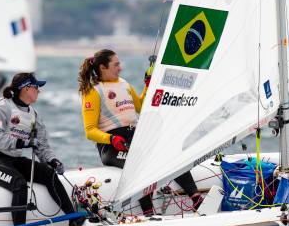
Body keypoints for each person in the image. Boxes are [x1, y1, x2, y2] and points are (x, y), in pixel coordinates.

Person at [78, 49, 201, 206]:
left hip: (135, 137)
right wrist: (111, 139)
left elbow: (141, 106)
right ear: (103, 67)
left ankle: (196, 197)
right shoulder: (93, 91)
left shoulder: (124, 84)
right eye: (116, 65)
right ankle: (148, 213)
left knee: (170, 153)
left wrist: (148, 86)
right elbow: (89, 131)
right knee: (139, 165)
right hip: (111, 146)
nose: (120, 68)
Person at [0, 73, 83, 226]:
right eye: (36, 87)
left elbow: (42, 146)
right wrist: (22, 142)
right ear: (26, 88)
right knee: (19, 184)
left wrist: (52, 160)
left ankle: (74, 219)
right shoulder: (1, 107)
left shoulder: (33, 115)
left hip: (12, 159)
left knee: (49, 174)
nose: (39, 91)